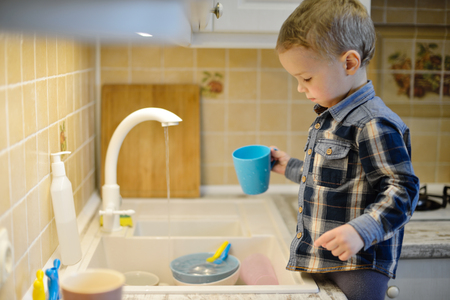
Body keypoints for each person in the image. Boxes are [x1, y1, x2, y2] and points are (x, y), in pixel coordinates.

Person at [270, 1, 420, 299]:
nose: (301, 87)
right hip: (326, 259)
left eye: (306, 78)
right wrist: (288, 166)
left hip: (359, 266)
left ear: (349, 63)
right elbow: (330, 178)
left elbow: (404, 190)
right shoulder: (333, 117)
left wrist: (361, 231)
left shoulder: (373, 122)